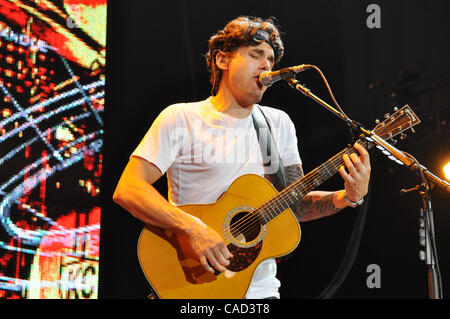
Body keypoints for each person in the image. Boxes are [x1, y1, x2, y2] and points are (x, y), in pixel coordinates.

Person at [113, 16, 371, 299]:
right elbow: (129, 189)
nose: (266, 66)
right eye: (255, 55)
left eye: (271, 60)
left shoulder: (277, 124)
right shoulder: (181, 118)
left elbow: (292, 206)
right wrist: (193, 228)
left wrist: (347, 197)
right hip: (192, 286)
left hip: (262, 292)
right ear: (223, 60)